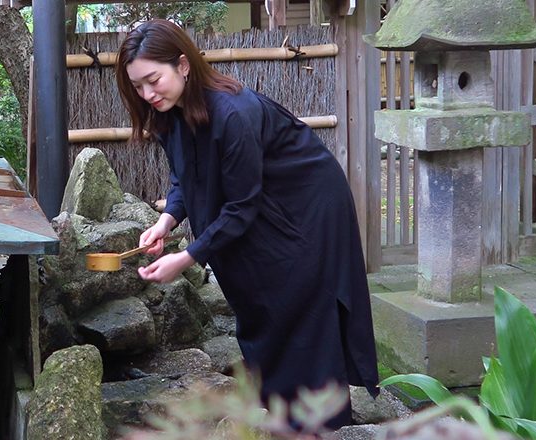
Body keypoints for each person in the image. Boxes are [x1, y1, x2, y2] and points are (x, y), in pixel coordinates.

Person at [114, 19, 379, 429]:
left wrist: (186, 258)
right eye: (137, 86)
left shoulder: (233, 114)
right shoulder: (171, 113)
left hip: (305, 207)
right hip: (260, 206)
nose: (147, 94)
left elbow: (240, 206)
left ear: (183, 65)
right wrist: (167, 220)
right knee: (258, 300)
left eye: (153, 80)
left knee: (297, 309)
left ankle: (313, 426)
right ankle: (284, 418)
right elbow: (185, 176)